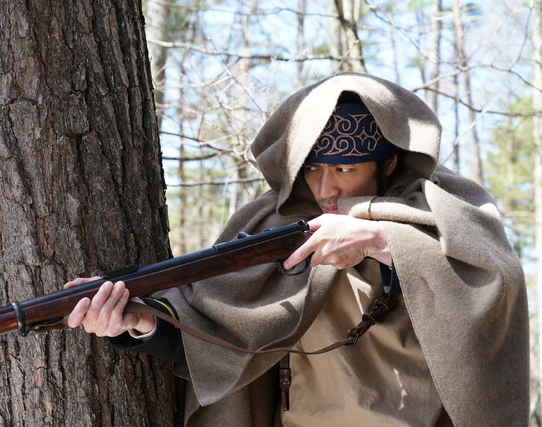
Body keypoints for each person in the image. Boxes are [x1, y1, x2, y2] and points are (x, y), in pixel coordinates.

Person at [64, 73, 529, 426]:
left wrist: (383, 241)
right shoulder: (268, 223)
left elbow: (495, 285)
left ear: (388, 162)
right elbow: (220, 332)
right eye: (311, 169)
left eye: (343, 170)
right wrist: (141, 320)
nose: (325, 187)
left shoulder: (443, 209)